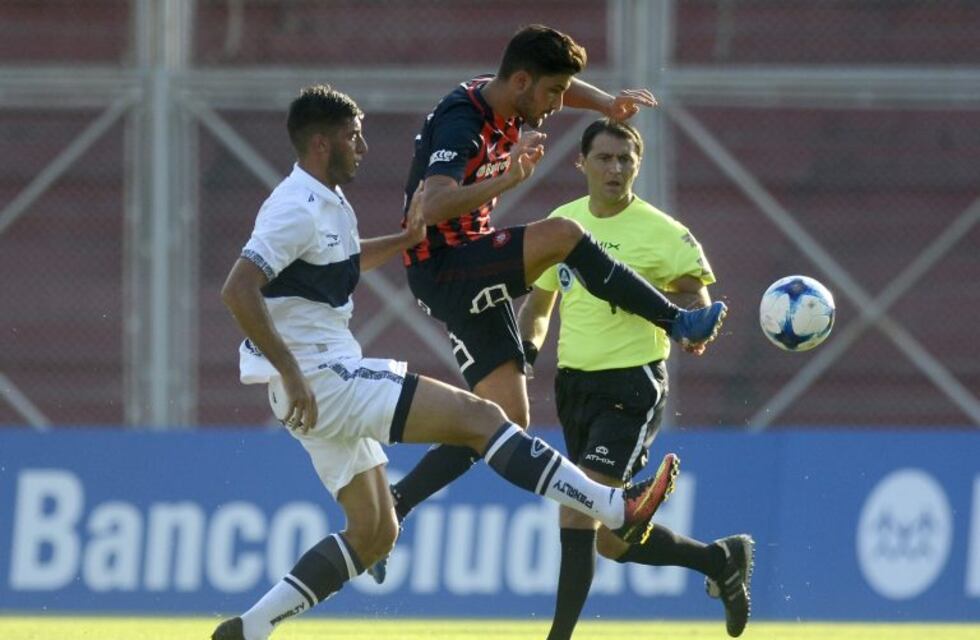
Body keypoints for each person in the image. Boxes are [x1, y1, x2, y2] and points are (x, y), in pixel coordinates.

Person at [211, 85, 681, 640]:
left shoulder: (325, 199)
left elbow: (341, 261)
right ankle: (613, 506)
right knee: (484, 419)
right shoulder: (294, 206)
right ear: (320, 143)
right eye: (351, 135)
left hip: (312, 385)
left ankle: (248, 629)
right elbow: (238, 288)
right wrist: (291, 370)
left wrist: (406, 238)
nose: (362, 145)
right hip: (320, 378)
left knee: (374, 532)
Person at [376, 24, 727, 578]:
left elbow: (557, 89)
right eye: (554, 93)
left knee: (502, 421)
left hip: (464, 267)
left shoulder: (512, 100)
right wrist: (506, 180)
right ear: (520, 81)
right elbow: (436, 204)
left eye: (566, 92)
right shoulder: (463, 120)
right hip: (446, 266)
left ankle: (394, 507)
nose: (561, 105)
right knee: (564, 235)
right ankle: (677, 322)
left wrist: (607, 101)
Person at [517, 118, 754, 639]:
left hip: (632, 385)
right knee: (611, 540)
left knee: (575, 509)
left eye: (625, 160)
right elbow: (539, 305)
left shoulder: (663, 232)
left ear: (637, 166)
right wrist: (527, 350)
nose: (615, 169)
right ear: (581, 163)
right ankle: (720, 561)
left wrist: (696, 328)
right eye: (604, 158)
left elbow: (696, 300)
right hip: (573, 387)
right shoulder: (563, 222)